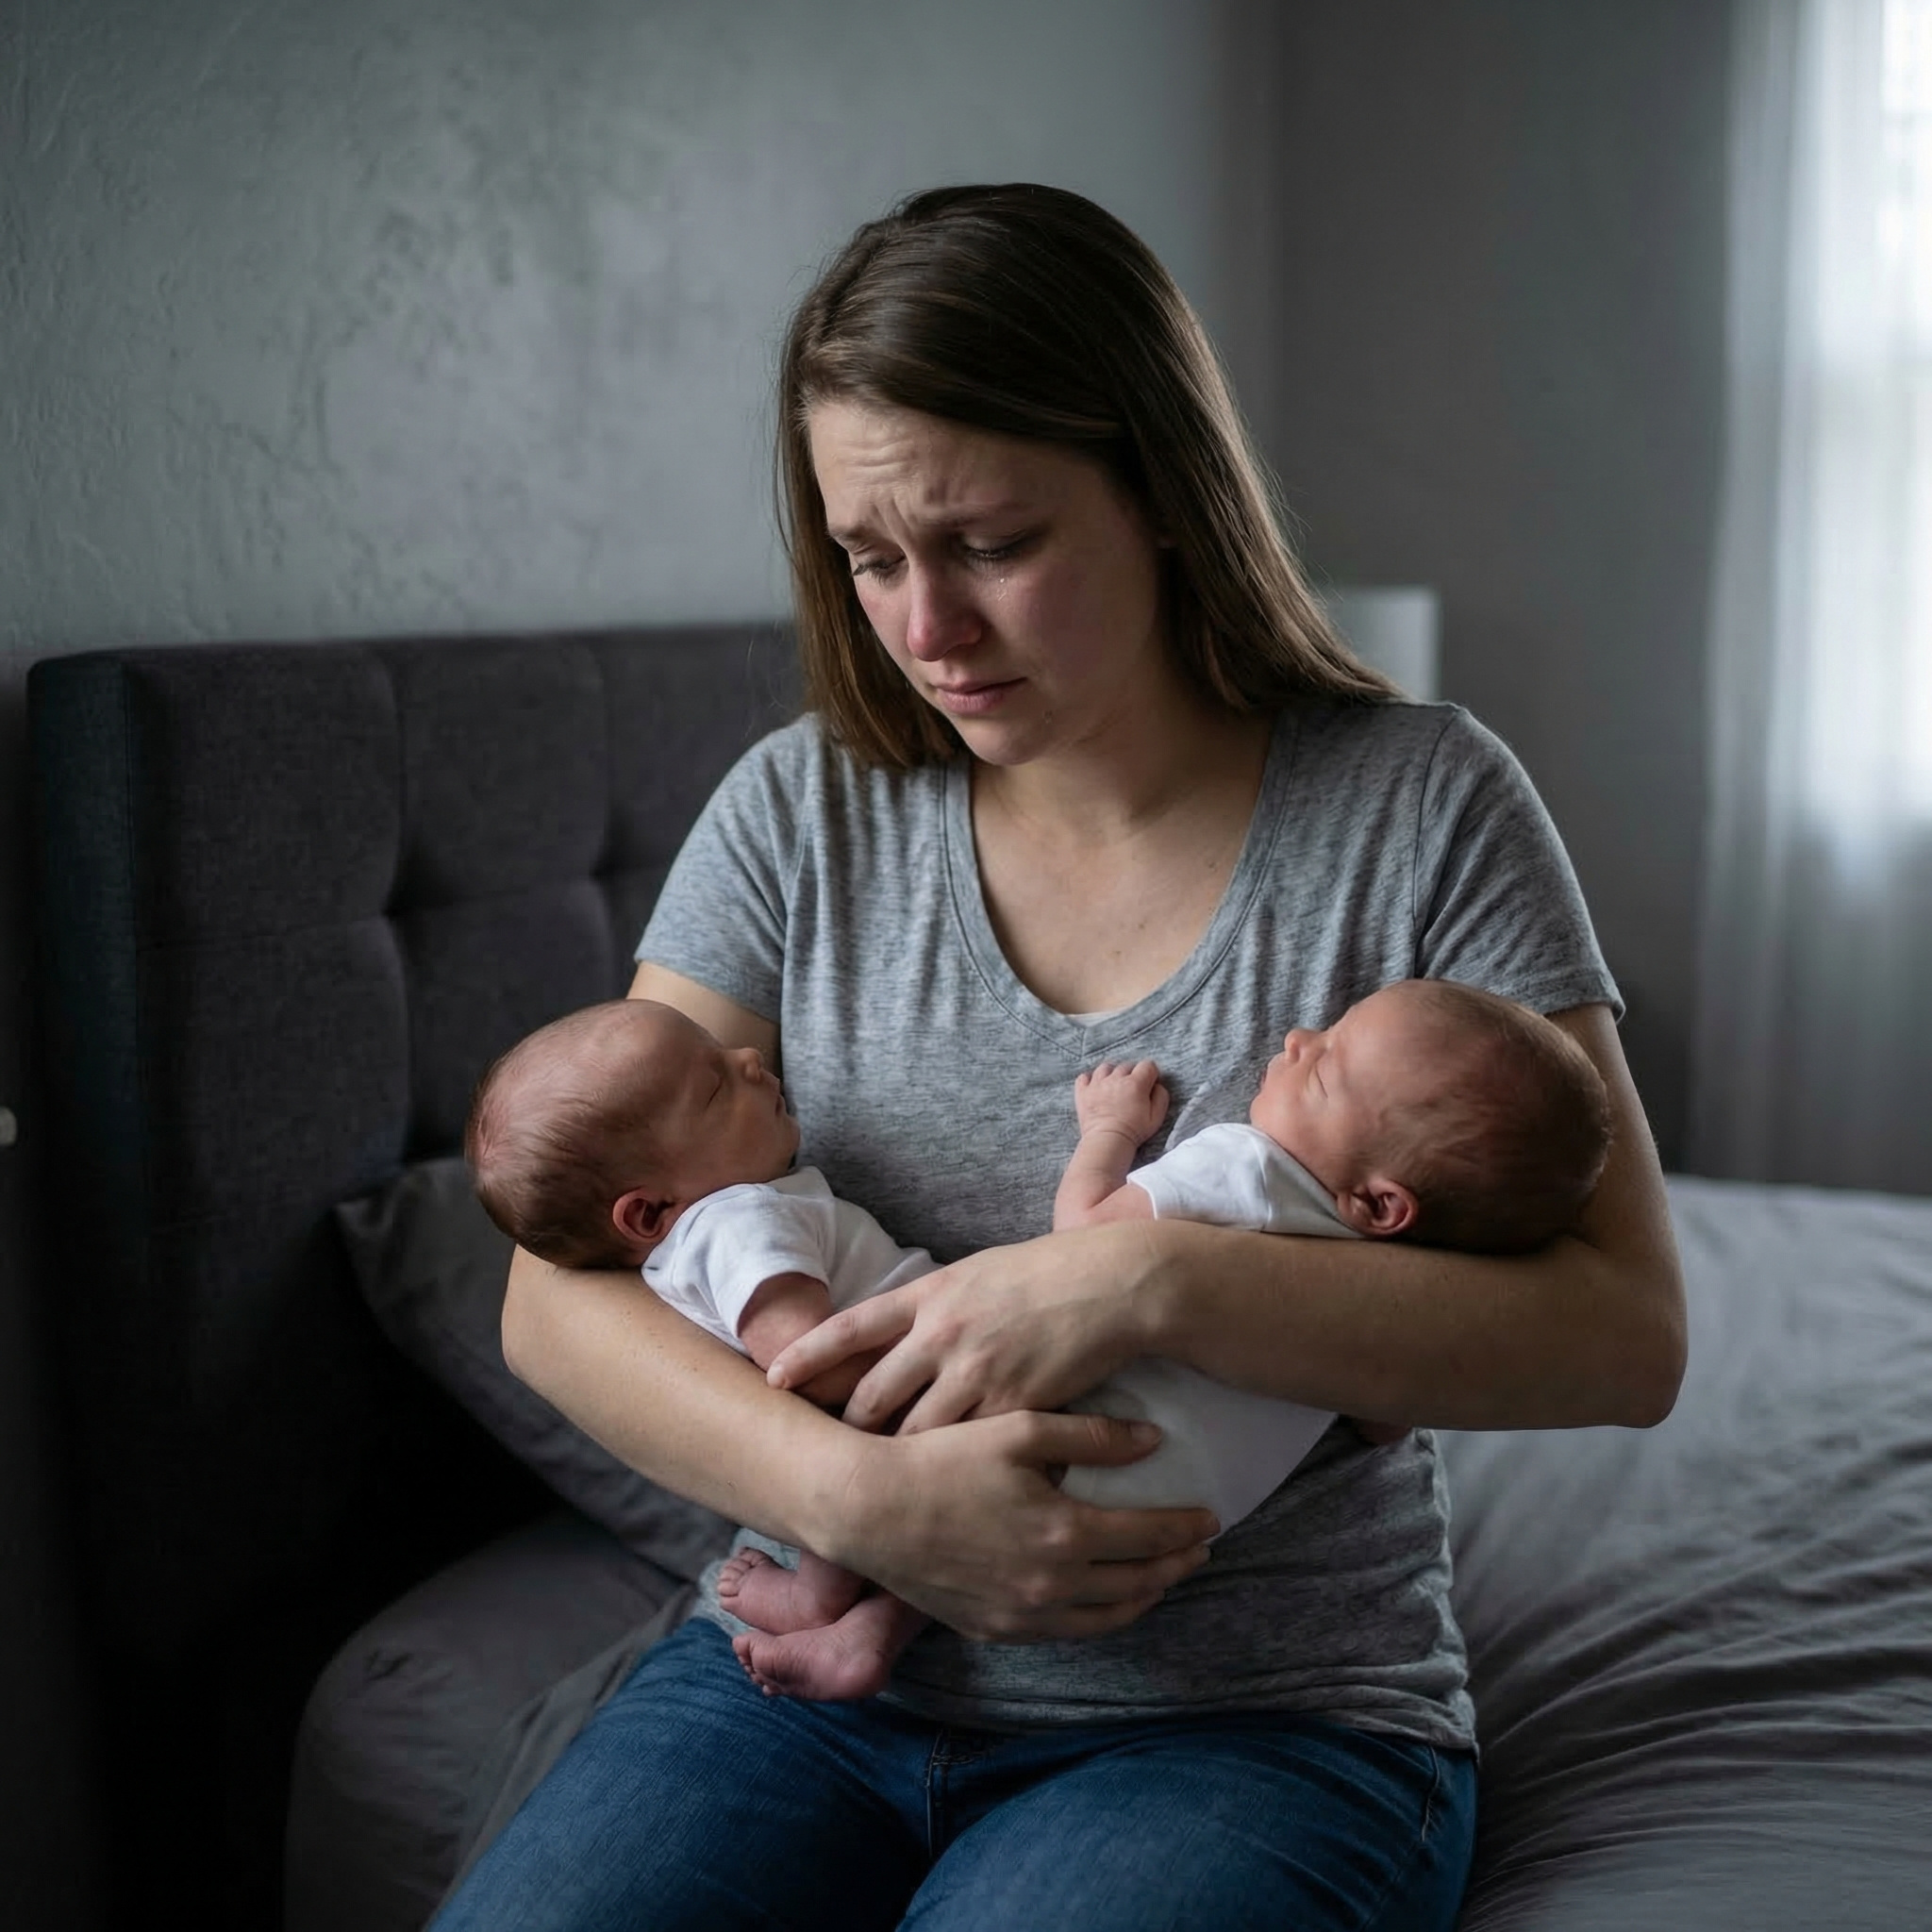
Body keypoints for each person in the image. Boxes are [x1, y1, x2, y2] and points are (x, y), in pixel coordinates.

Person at [433, 182, 1684, 1932]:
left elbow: (1622, 1338)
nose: (924, 627)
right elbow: (551, 1292)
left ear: (1162, 497)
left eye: (989, 543)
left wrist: (1142, 1286)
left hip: (1250, 1720)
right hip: (802, 1693)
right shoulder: (800, 812)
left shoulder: (1420, 804)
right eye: (870, 557)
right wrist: (860, 1496)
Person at [465, 978, 1611, 1704]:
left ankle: (841, 1611)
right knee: (964, 1481)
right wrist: (863, 1486)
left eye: (1328, 1061)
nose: (1300, 1034)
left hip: (1191, 1630)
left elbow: (1086, 1244)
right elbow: (1381, 1407)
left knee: (972, 1469)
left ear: (1380, 1198)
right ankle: (854, 1617)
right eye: (876, 569)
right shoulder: (1385, 1268)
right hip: (1183, 1509)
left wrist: (1107, 1132)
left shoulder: (1239, 1167)